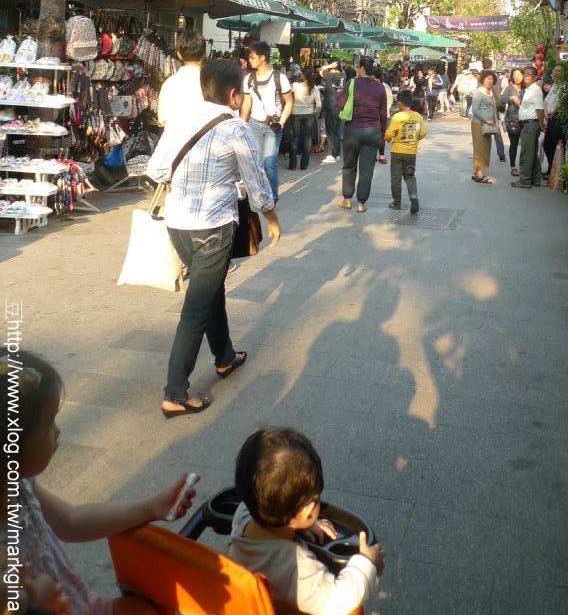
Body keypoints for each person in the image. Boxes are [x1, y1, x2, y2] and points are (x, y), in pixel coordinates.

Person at [2, 349, 198, 615]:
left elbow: (72, 520)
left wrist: (152, 507)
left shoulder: (20, 486)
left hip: (82, 603)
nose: (58, 430)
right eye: (48, 422)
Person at [148, 60, 281, 417]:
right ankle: (175, 393)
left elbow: (156, 169)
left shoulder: (181, 120)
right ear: (234, 95)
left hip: (177, 223)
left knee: (209, 291)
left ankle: (224, 357)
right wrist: (271, 218)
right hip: (213, 227)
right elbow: (257, 184)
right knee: (197, 307)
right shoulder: (236, 128)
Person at [228, 427, 384, 615]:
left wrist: (300, 522)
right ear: (308, 511)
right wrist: (366, 563)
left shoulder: (243, 515)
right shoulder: (297, 568)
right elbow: (339, 599)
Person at [240, 42, 294, 204]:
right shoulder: (248, 79)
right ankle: (258, 195)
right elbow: (246, 103)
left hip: (273, 126)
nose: (250, 60)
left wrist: (282, 121)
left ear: (263, 57)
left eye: (252, 57)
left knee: (270, 162)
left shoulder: (279, 78)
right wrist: (241, 124)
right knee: (257, 162)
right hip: (254, 124)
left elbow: (289, 102)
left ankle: (272, 197)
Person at [337, 56, 388, 213]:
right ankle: (361, 203)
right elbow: (383, 114)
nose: (357, 69)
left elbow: (341, 105)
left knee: (349, 165)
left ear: (362, 68)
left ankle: (347, 199)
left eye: (358, 67)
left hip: (352, 130)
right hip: (372, 131)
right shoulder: (380, 87)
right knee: (367, 170)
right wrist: (383, 131)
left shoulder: (351, 83)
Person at [385, 88, 427, 213]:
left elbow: (389, 134)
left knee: (396, 178)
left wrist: (387, 139)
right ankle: (413, 198)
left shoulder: (397, 117)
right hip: (411, 153)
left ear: (400, 103)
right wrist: (414, 140)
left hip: (397, 152)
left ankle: (396, 203)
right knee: (410, 176)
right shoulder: (418, 116)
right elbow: (423, 132)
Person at [156, 29, 206, 129]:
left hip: (175, 137)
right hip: (206, 136)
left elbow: (162, 119)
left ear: (178, 54)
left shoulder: (169, 83)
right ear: (205, 53)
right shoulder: (212, 82)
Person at [512, 66, 546, 189]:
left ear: (535, 77)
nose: (525, 76)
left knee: (526, 153)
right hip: (528, 124)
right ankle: (535, 178)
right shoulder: (528, 89)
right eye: (525, 74)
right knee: (531, 152)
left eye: (529, 74)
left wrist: (541, 125)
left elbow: (540, 110)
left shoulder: (535, 90)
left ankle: (525, 180)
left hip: (531, 124)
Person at [288, 68, 322, 171]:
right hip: (309, 114)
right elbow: (319, 105)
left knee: (295, 138)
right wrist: (314, 111)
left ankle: (293, 165)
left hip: (296, 113)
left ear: (303, 75)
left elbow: (289, 98)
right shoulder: (315, 88)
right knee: (307, 138)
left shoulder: (295, 86)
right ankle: (304, 166)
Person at [470, 70, 499, 184]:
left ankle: (477, 172)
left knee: (485, 148)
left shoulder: (491, 92)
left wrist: (496, 122)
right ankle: (479, 175)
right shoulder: (478, 92)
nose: (489, 81)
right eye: (487, 78)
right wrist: (486, 119)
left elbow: (494, 109)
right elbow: (475, 109)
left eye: (491, 79)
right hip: (479, 124)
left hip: (489, 125)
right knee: (479, 148)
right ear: (482, 79)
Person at [500, 67, 524, 176]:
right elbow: (502, 100)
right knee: (514, 144)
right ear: (512, 77)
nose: (517, 77)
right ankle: (513, 167)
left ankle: (524, 166)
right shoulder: (509, 88)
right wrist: (511, 99)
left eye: (519, 75)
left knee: (526, 145)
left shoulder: (526, 88)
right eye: (515, 75)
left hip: (525, 120)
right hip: (512, 120)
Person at [319, 60, 344, 164]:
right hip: (339, 106)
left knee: (330, 132)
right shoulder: (343, 75)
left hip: (331, 106)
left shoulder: (330, 76)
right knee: (336, 131)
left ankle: (331, 155)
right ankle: (337, 154)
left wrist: (330, 65)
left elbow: (319, 70)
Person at [482, 57, 506, 163]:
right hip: (495, 105)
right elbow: (498, 92)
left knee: (482, 130)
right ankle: (501, 155)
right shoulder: (496, 76)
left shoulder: (483, 76)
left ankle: (482, 154)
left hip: (484, 106)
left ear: (483, 65)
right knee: (497, 131)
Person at [543, 64, 564, 174]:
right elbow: (546, 101)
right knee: (547, 145)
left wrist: (553, 112)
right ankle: (550, 168)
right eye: (555, 70)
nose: (555, 72)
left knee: (556, 146)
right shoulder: (554, 86)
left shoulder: (566, 86)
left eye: (558, 71)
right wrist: (545, 112)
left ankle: (554, 171)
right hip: (550, 118)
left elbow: (562, 102)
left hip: (557, 119)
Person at [373, 65, 393, 164]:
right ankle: (373, 155)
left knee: (381, 135)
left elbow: (389, 101)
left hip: (382, 114)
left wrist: (384, 110)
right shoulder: (370, 85)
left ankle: (381, 156)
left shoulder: (385, 86)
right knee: (373, 136)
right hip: (372, 115)